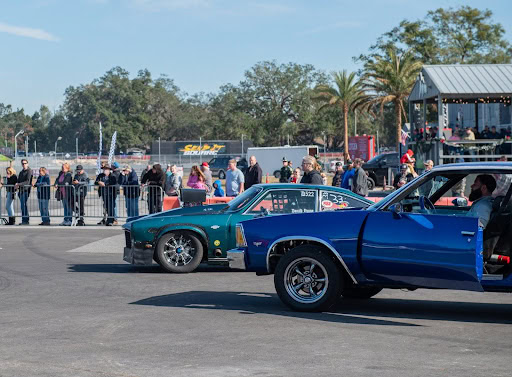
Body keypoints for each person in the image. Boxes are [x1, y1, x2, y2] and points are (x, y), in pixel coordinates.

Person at [16, 158, 33, 225]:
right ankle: (24, 219)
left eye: (25, 163)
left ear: (27, 163)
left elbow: (27, 181)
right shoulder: (21, 172)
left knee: (23, 205)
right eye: (22, 163)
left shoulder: (29, 171)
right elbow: (18, 180)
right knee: (22, 206)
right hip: (20, 190)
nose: (24, 165)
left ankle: (25, 220)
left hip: (26, 190)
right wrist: (17, 184)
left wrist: (19, 184)